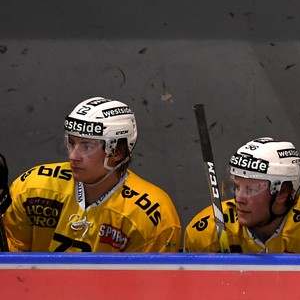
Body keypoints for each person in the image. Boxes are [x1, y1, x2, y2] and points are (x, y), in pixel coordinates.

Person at [1, 97, 181, 252]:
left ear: (117, 152)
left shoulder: (153, 214)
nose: (73, 156)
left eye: (87, 146)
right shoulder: (33, 187)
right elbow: (9, 262)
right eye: (72, 143)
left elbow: (149, 287)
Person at [184, 137, 300, 253]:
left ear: (282, 193)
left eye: (251, 189)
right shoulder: (206, 231)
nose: (239, 198)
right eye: (237, 187)